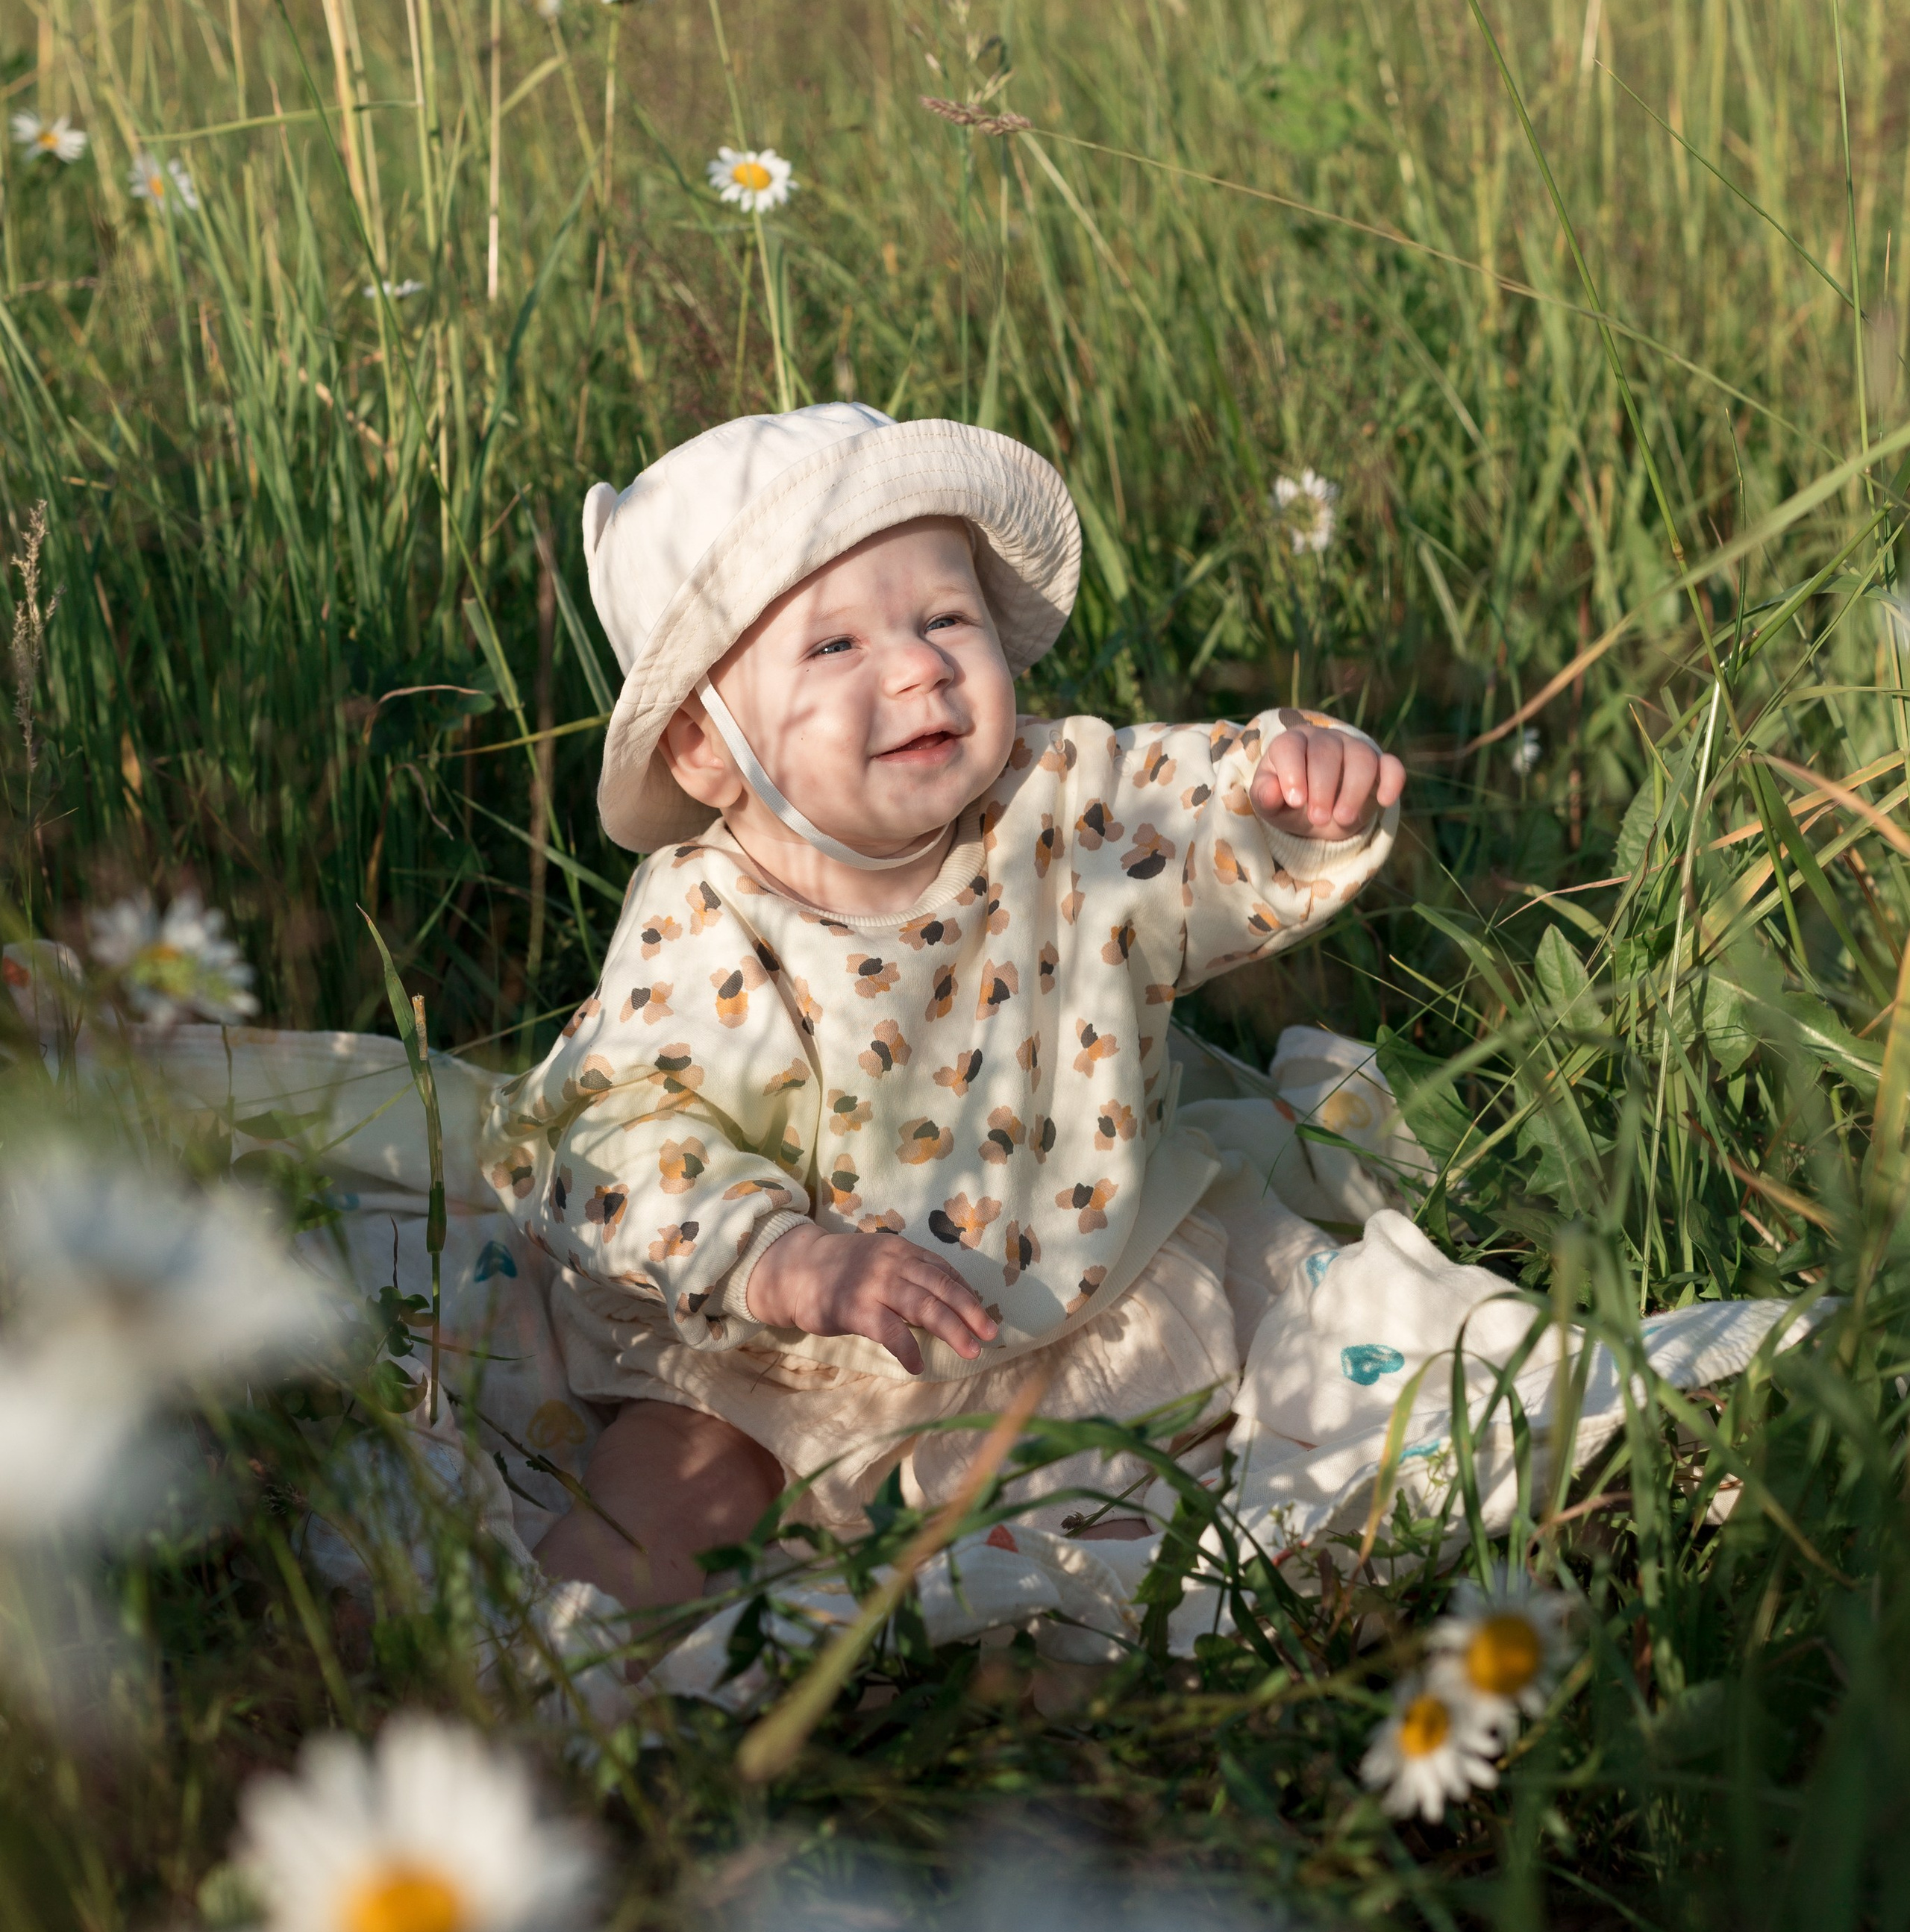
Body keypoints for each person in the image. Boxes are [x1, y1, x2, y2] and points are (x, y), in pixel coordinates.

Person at [488, 401, 1407, 1610]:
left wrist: (1286, 791)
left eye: (945, 618)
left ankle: (986, 1654)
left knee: (1085, 1501)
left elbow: (1191, 803)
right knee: (675, 1491)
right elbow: (632, 1133)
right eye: (835, 648)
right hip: (780, 1346)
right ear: (707, 753)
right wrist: (778, 1259)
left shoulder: (1064, 803)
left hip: (1063, 1294)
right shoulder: (704, 917)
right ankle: (548, 1689)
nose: (918, 664)